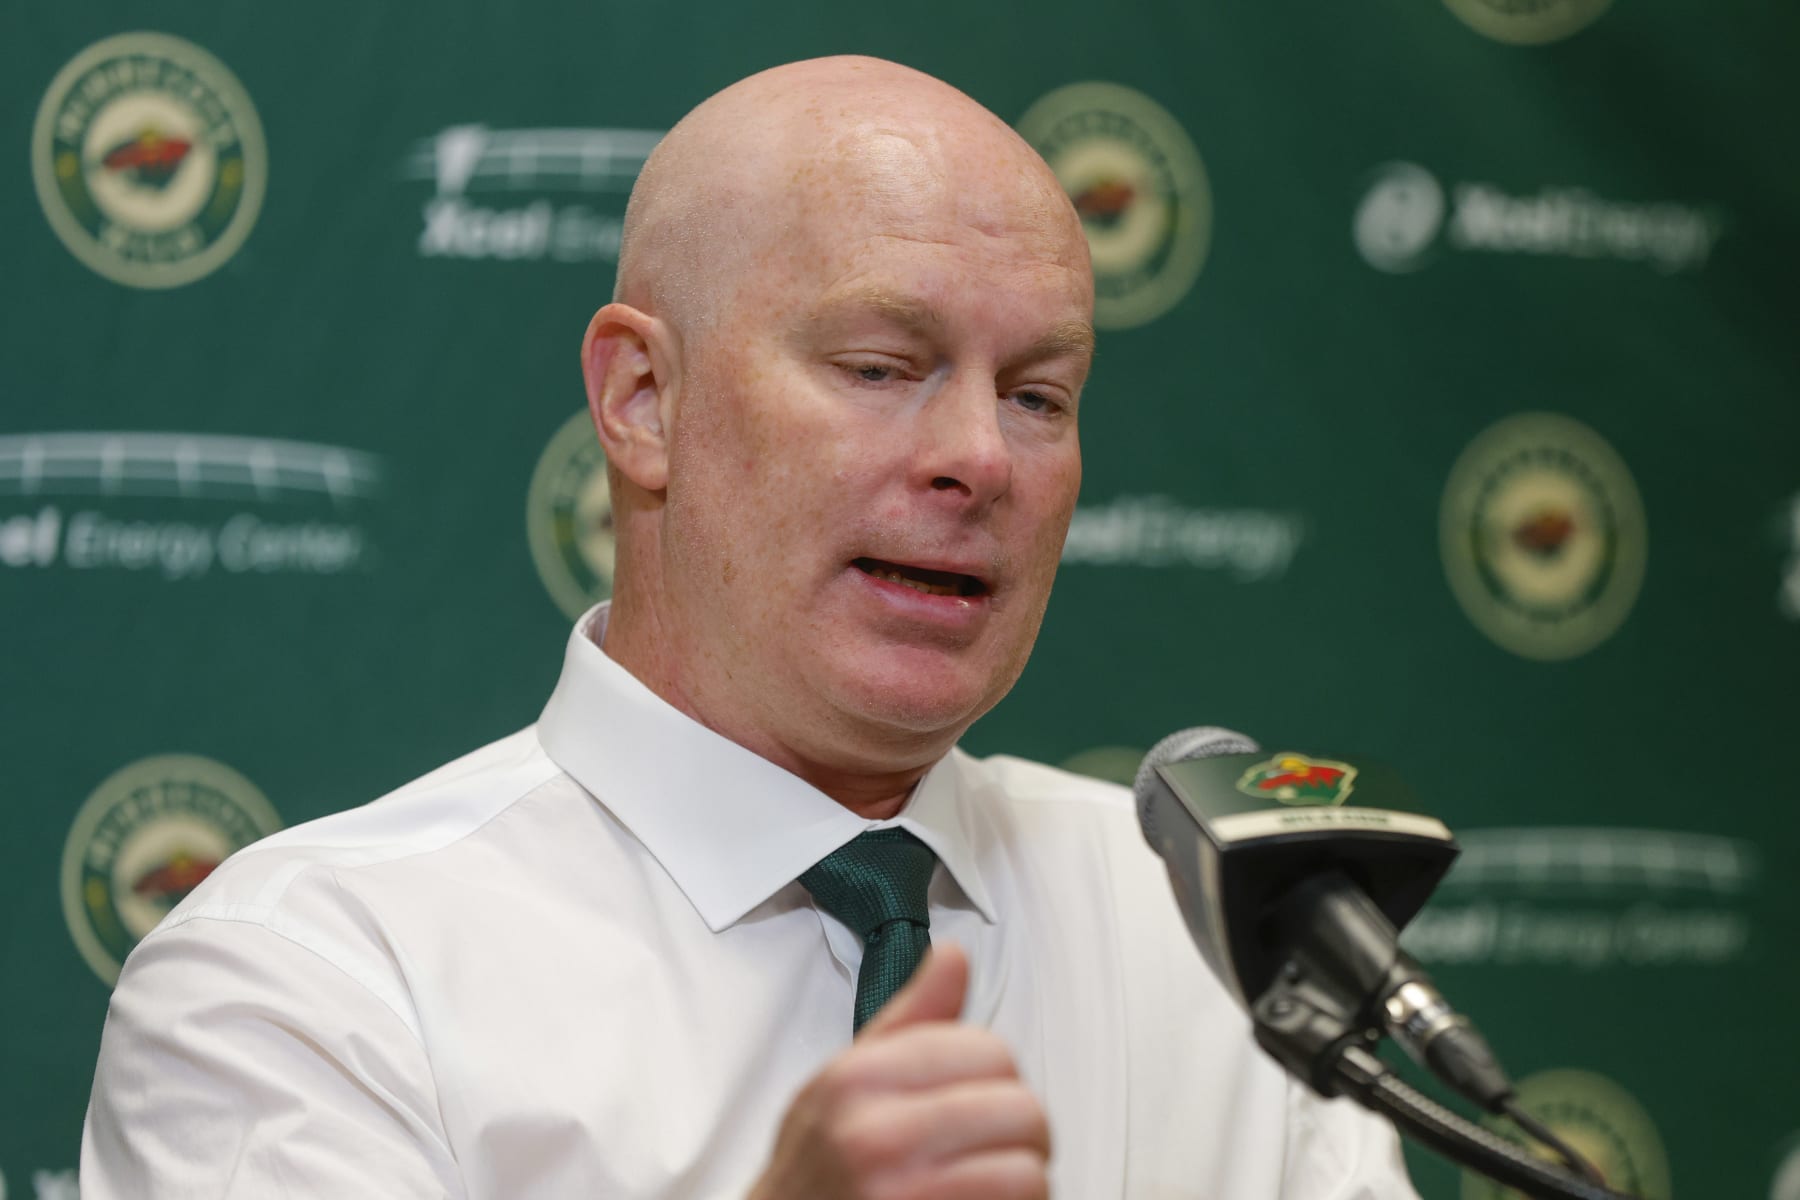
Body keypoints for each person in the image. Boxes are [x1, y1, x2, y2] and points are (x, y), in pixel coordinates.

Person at [82, 56, 1418, 1199]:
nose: (979, 457)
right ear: (643, 401)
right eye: (881, 367)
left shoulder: (1215, 936)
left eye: (1037, 396)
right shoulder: (309, 981)